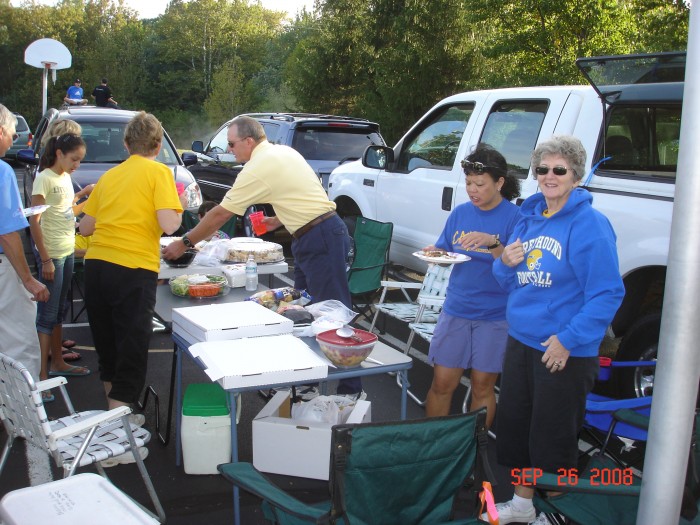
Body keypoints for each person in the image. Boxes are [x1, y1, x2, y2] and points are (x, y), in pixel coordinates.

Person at [163, 115, 362, 397]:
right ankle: (308, 379)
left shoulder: (257, 166)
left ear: (248, 140)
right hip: (313, 236)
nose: (229, 150)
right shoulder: (284, 152)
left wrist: (184, 242)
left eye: (231, 144)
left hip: (321, 237)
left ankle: (350, 390)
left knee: (333, 314)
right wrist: (276, 220)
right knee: (303, 313)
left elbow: (220, 214)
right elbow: (304, 195)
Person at [487, 135, 625, 525]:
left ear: (576, 175)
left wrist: (568, 339)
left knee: (553, 444)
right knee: (519, 434)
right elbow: (508, 280)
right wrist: (504, 263)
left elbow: (607, 294)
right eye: (542, 169)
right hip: (521, 342)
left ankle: (563, 514)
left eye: (559, 170)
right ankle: (523, 504)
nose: (549, 176)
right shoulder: (530, 218)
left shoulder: (590, 225)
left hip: (562, 349)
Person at [80, 112, 182, 457]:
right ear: (158, 146)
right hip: (131, 268)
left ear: (126, 145)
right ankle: (117, 436)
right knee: (132, 349)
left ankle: (116, 416)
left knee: (108, 346)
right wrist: (177, 210)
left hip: (95, 268)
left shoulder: (111, 175)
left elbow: (85, 228)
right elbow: (169, 225)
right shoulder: (159, 172)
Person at [424, 144, 520, 428]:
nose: (472, 190)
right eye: (468, 183)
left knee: (482, 386)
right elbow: (444, 251)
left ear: (499, 182)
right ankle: (435, 444)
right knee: (442, 382)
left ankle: (472, 450)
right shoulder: (460, 213)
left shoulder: (515, 218)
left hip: (495, 315)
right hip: (457, 308)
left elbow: (514, 267)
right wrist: (435, 253)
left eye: (480, 184)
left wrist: (492, 242)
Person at [29, 134, 94, 397]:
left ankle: (57, 361)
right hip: (53, 255)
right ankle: (42, 377)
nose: (77, 164)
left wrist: (88, 197)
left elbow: (68, 211)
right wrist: (45, 259)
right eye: (74, 159)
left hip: (67, 252)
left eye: (79, 160)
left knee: (57, 313)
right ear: (59, 153)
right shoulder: (44, 178)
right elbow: (34, 221)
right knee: (47, 316)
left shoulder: (65, 177)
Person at [0, 104, 48, 384]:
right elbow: (7, 234)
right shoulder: (3, 172)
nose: (13, 139)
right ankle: (22, 419)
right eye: (11, 133)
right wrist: (28, 279)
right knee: (19, 343)